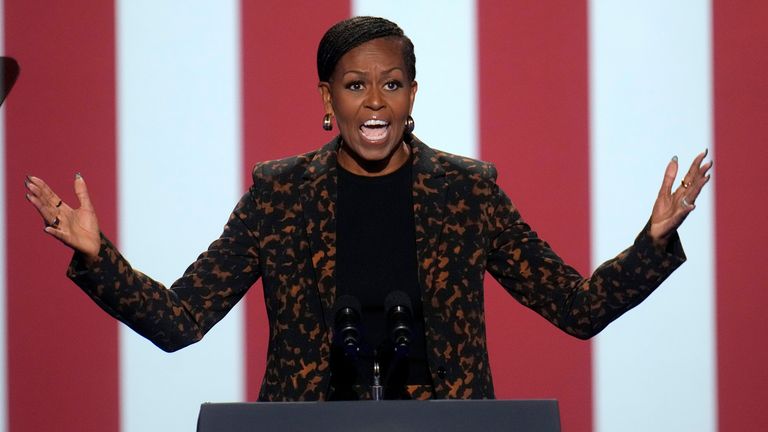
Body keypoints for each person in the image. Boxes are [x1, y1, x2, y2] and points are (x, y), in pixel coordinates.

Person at [24, 17, 711, 401]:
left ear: (414, 95)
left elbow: (578, 309)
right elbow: (180, 322)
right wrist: (97, 257)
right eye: (356, 85)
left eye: (392, 84)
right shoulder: (281, 196)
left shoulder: (467, 193)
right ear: (328, 99)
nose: (375, 102)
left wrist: (652, 242)